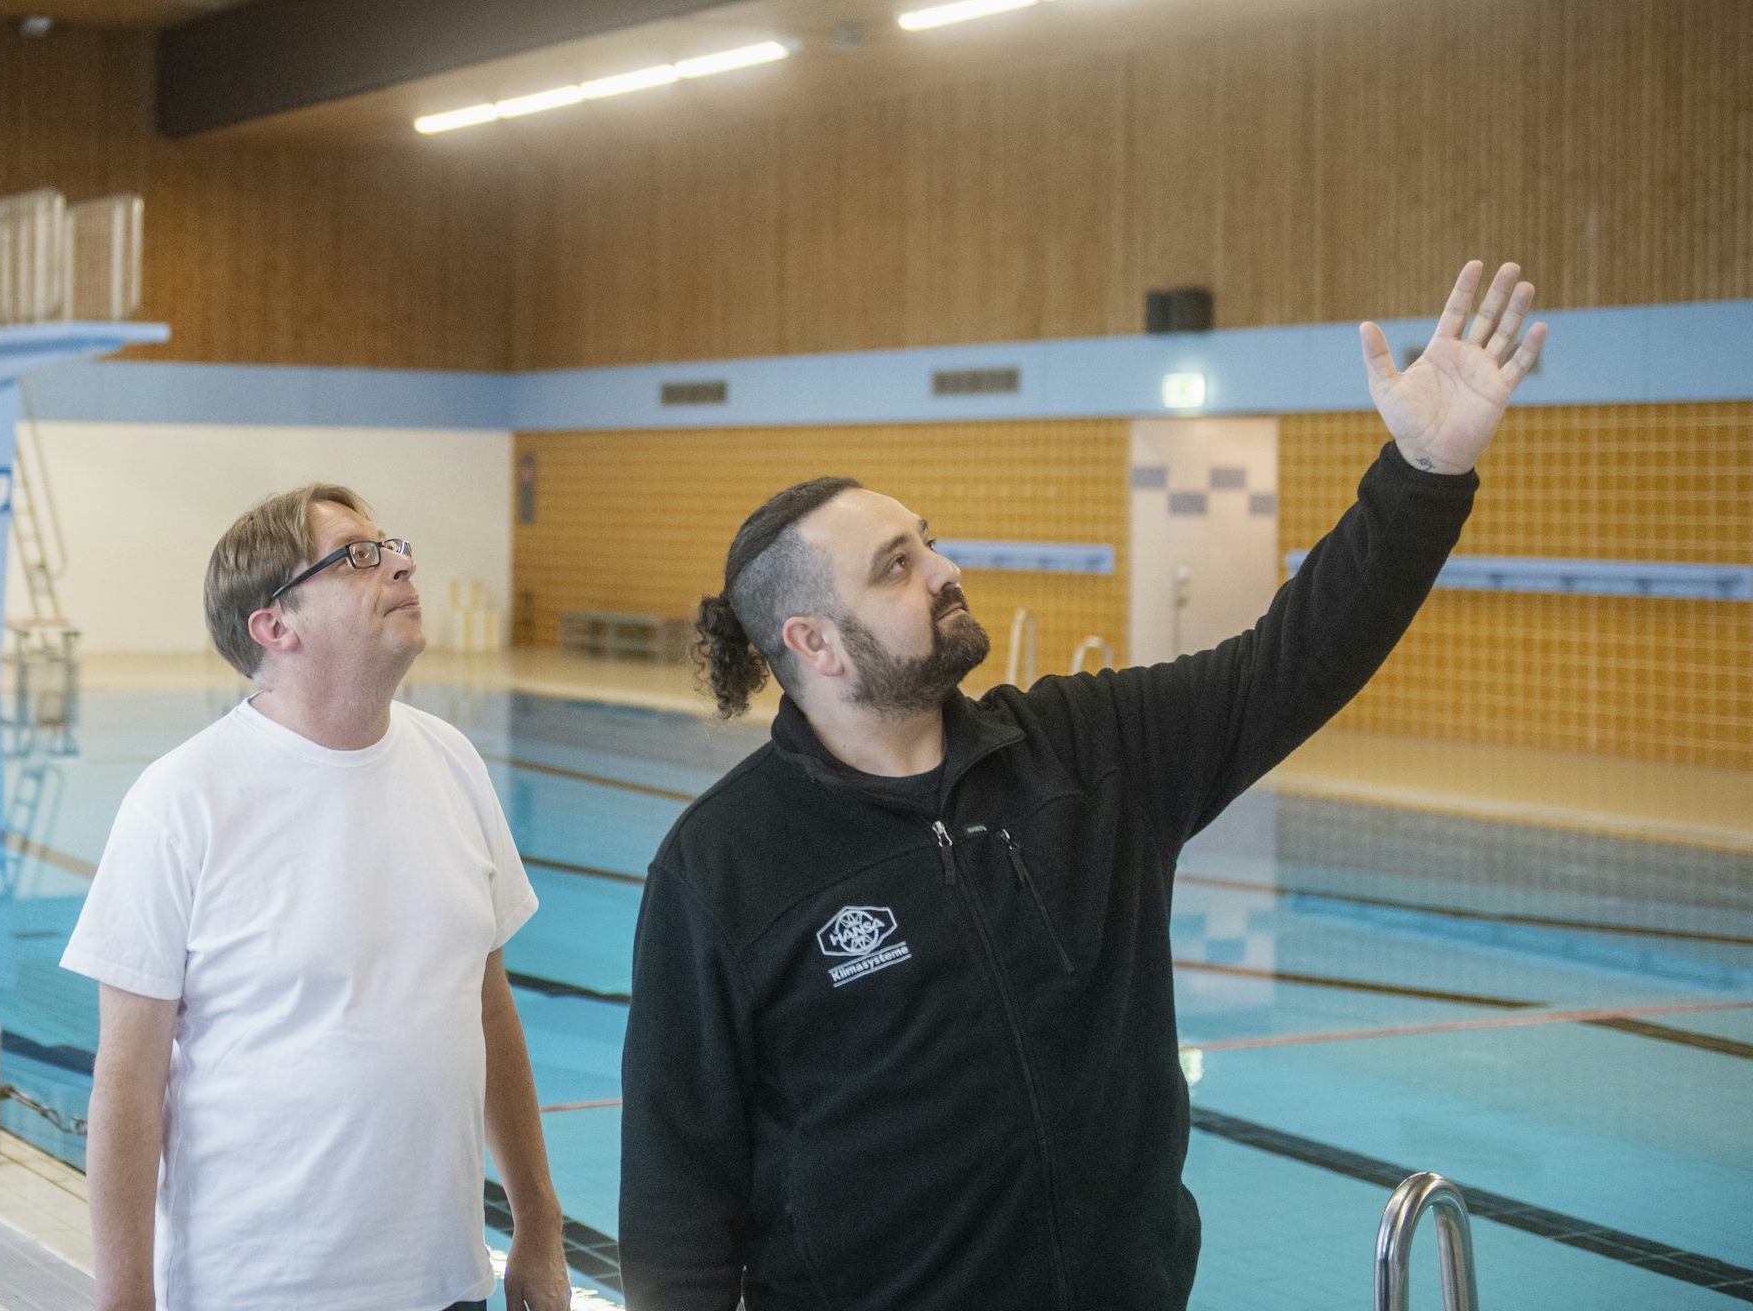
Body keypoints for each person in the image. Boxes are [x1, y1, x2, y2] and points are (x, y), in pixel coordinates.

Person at [619, 262, 1548, 1310]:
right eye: (895, 565)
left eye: (925, 539)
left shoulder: (1089, 753)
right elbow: (675, 1198)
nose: (942, 567)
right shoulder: (724, 863)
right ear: (813, 644)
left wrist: (1423, 470)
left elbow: (1296, 658)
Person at [61, 483, 570, 1311]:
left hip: (447, 1284)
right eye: (359, 556)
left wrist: (538, 1231)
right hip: (260, 1287)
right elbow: (127, 1080)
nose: (401, 562)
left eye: (390, 545)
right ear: (275, 625)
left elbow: (489, 1010)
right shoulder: (182, 800)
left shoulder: (452, 763)